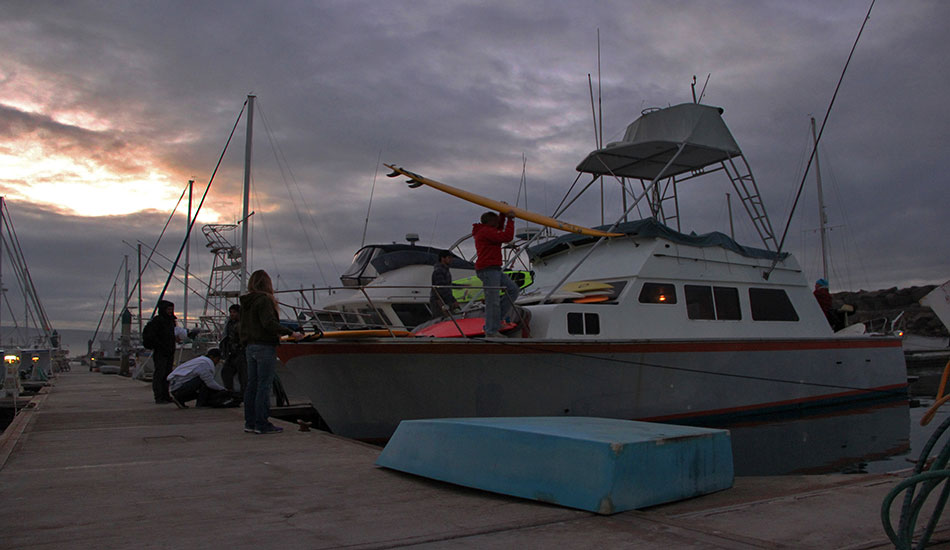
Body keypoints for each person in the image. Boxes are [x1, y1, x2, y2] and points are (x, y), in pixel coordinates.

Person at [240, 270, 303, 434]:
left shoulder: (246, 302)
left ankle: (250, 422)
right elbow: (269, 323)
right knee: (264, 385)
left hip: (250, 346)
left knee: (252, 385)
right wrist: (291, 332)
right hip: (264, 345)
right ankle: (262, 423)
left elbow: (244, 326)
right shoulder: (264, 300)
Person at [472, 210, 520, 337]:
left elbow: (499, 229)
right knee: (492, 301)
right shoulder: (486, 232)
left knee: (513, 290)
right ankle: (491, 330)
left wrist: (503, 215)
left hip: (494, 269)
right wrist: (510, 220)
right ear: (490, 222)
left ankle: (495, 322)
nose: (498, 222)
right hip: (488, 269)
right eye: (496, 220)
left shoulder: (487, 230)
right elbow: (507, 237)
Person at [166, 349, 237, 409]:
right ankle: (200, 403)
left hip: (176, 386)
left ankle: (181, 399)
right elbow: (210, 383)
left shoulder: (200, 360)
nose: (217, 362)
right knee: (204, 382)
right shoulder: (204, 364)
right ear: (211, 357)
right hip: (179, 388)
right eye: (217, 359)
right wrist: (223, 389)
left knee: (204, 386)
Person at [147, 300, 178, 404]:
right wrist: (160, 345)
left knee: (167, 374)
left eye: (171, 309)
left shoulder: (171, 321)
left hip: (170, 350)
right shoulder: (158, 321)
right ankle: (159, 396)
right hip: (161, 351)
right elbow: (153, 336)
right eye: (168, 309)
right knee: (160, 374)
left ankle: (166, 395)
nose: (170, 311)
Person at [219, 304, 246, 394]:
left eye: (234, 312)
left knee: (243, 376)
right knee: (226, 372)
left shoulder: (243, 324)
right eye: (231, 312)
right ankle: (230, 392)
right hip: (231, 353)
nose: (232, 314)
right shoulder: (229, 323)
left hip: (241, 352)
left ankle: (244, 394)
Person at [429, 250, 460, 318]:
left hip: (444, 300)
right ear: (442, 258)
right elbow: (441, 288)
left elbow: (446, 285)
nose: (451, 260)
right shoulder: (439, 271)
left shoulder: (444, 270)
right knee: (442, 320)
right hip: (439, 301)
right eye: (449, 258)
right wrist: (453, 300)